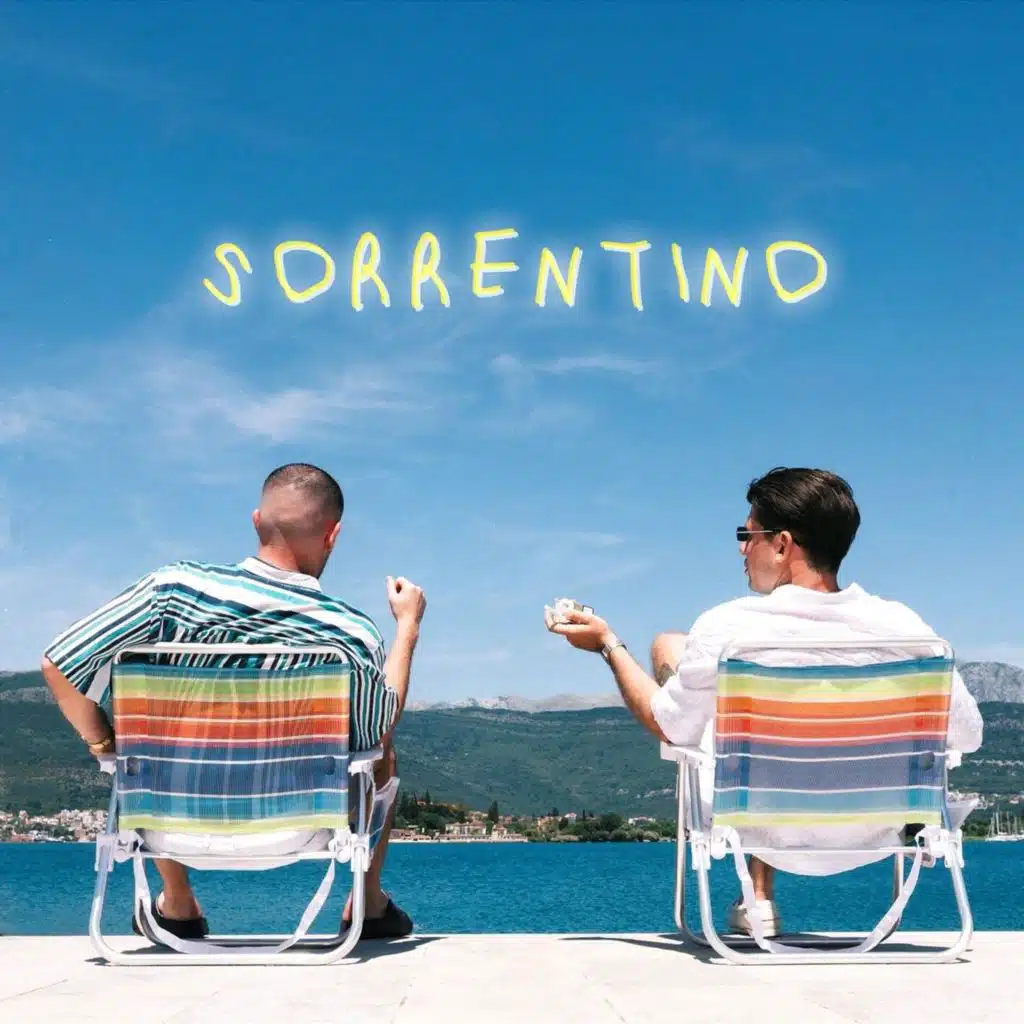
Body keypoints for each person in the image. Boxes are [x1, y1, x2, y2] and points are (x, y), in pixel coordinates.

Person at [546, 466, 983, 936]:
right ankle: (757, 897)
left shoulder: (730, 630)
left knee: (670, 650)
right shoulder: (908, 631)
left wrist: (608, 645)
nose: (741, 549)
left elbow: (670, 727)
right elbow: (968, 736)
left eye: (747, 535)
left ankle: (757, 897)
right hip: (877, 834)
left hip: (759, 826)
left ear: (781, 545)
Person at [41, 463, 426, 942]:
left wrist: (104, 743)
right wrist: (407, 626)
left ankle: (177, 902)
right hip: (298, 829)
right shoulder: (349, 632)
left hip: (165, 826)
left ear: (256, 521)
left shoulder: (172, 591)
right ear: (333, 535)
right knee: (382, 754)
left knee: (149, 737)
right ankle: (366, 902)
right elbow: (377, 731)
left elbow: (58, 665)